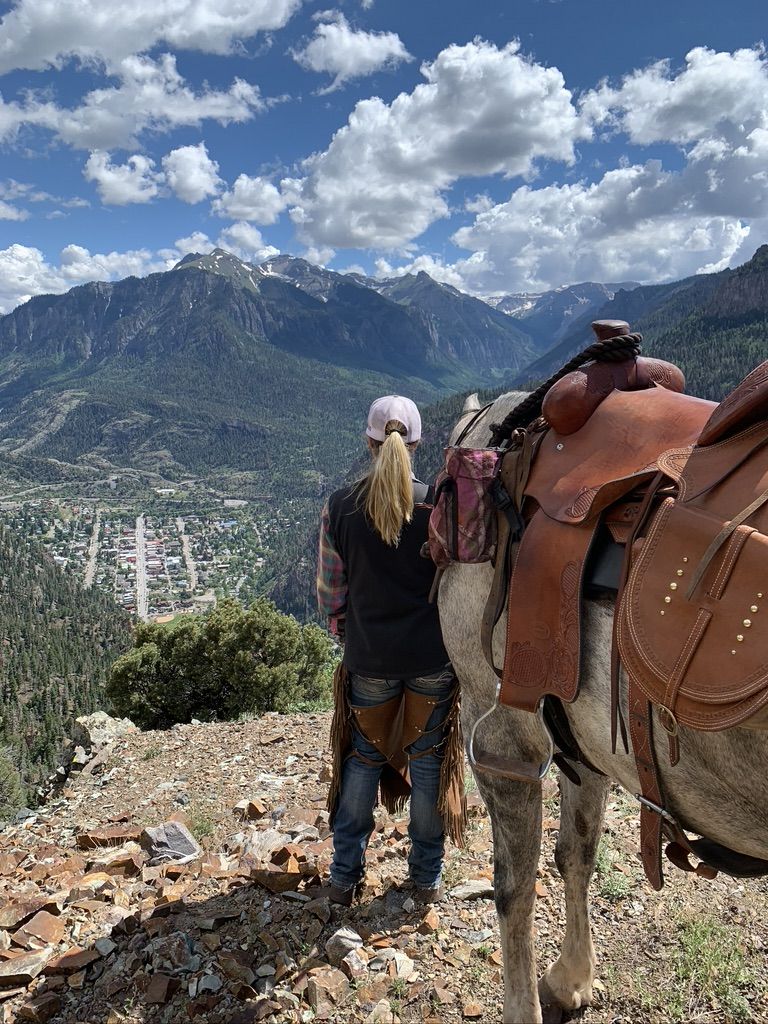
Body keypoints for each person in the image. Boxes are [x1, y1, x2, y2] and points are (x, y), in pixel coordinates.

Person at [317, 395, 465, 907]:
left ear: (368, 442)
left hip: (369, 658)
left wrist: (351, 633)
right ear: (418, 444)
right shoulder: (439, 508)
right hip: (431, 659)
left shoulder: (340, 507)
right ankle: (426, 880)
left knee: (361, 758)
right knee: (428, 765)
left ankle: (344, 876)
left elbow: (331, 596)